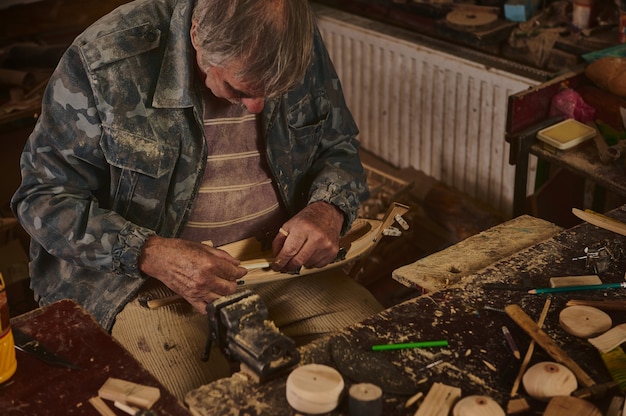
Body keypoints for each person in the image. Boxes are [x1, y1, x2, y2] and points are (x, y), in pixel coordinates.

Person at [11, 0, 383, 403]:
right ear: (197, 36)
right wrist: (149, 252)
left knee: (371, 352)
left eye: (275, 92)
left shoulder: (294, 39)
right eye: (241, 89)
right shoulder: (106, 59)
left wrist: (328, 208)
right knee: (202, 399)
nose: (256, 107)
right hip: (142, 282)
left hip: (273, 265)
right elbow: (43, 198)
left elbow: (338, 146)